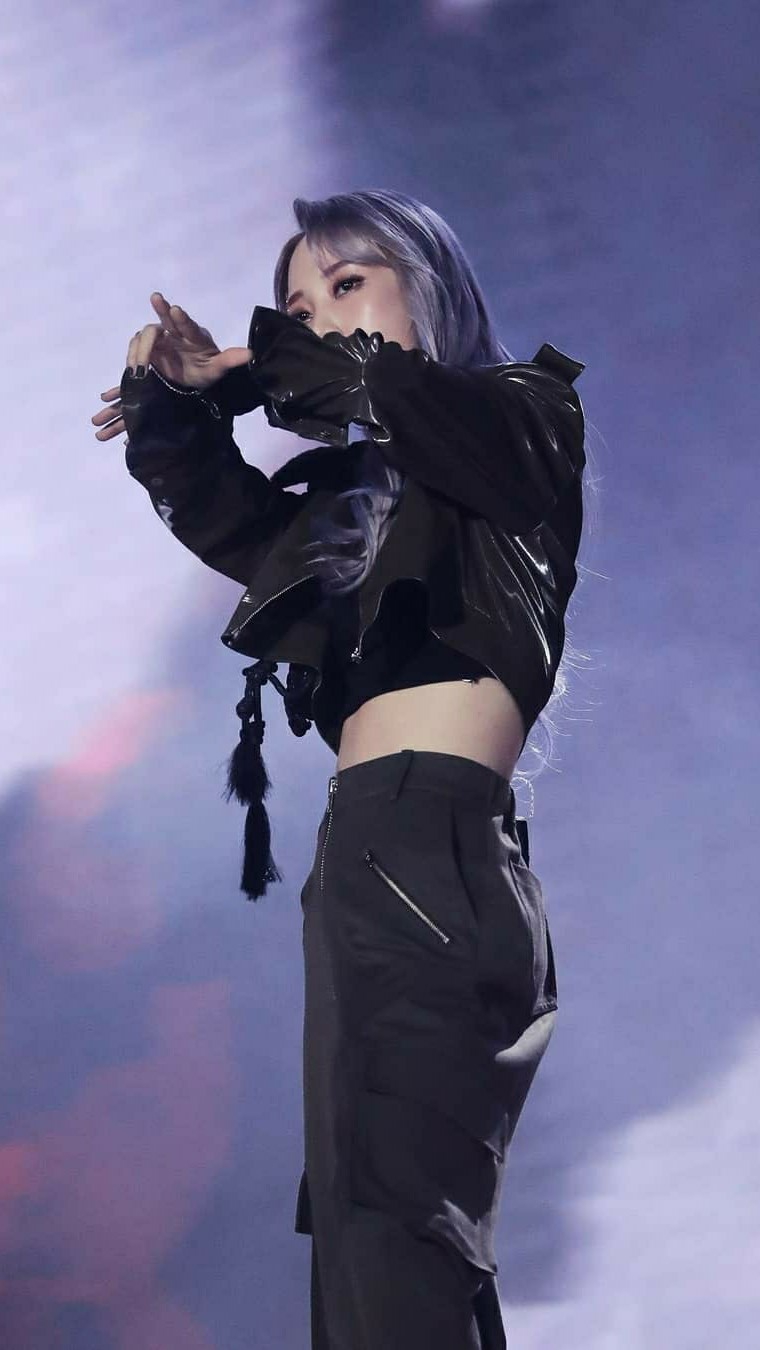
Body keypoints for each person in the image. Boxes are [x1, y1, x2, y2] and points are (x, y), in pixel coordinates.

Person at [91, 189, 589, 1350]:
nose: (313, 315)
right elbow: (221, 511)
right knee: (375, 1251)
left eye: (346, 283)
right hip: (368, 856)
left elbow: (381, 388)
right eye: (295, 302)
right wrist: (171, 402)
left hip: (427, 846)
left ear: (430, 283)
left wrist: (250, 366)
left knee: (395, 1247)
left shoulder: (521, 417)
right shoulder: (360, 513)